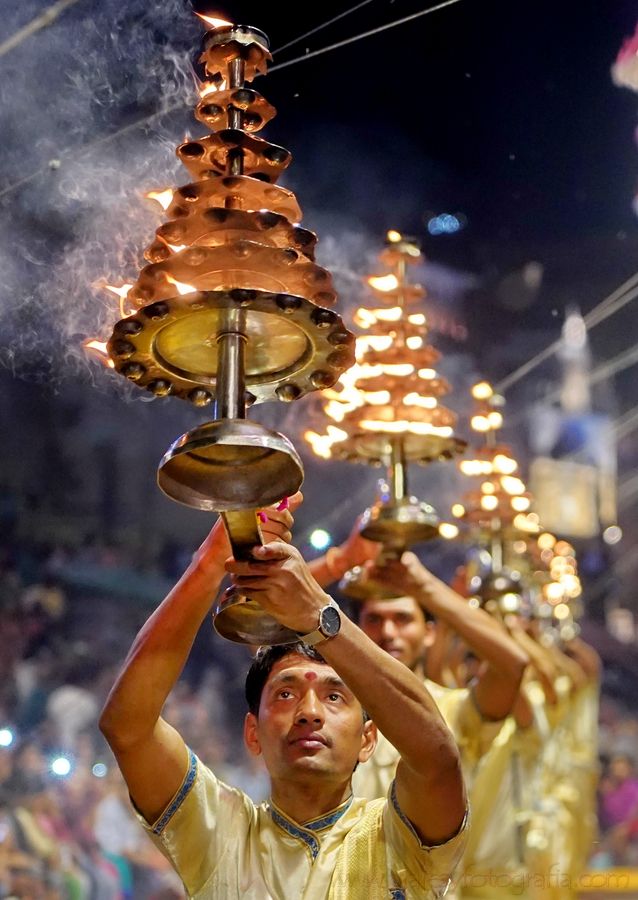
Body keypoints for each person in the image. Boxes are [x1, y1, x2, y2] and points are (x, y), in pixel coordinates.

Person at [99, 496, 468, 899]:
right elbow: (127, 727)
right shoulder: (219, 834)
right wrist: (210, 563)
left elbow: (437, 756)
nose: (308, 712)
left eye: (334, 696)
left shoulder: (399, 838)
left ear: (368, 739)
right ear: (252, 733)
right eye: (286, 693)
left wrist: (317, 613)